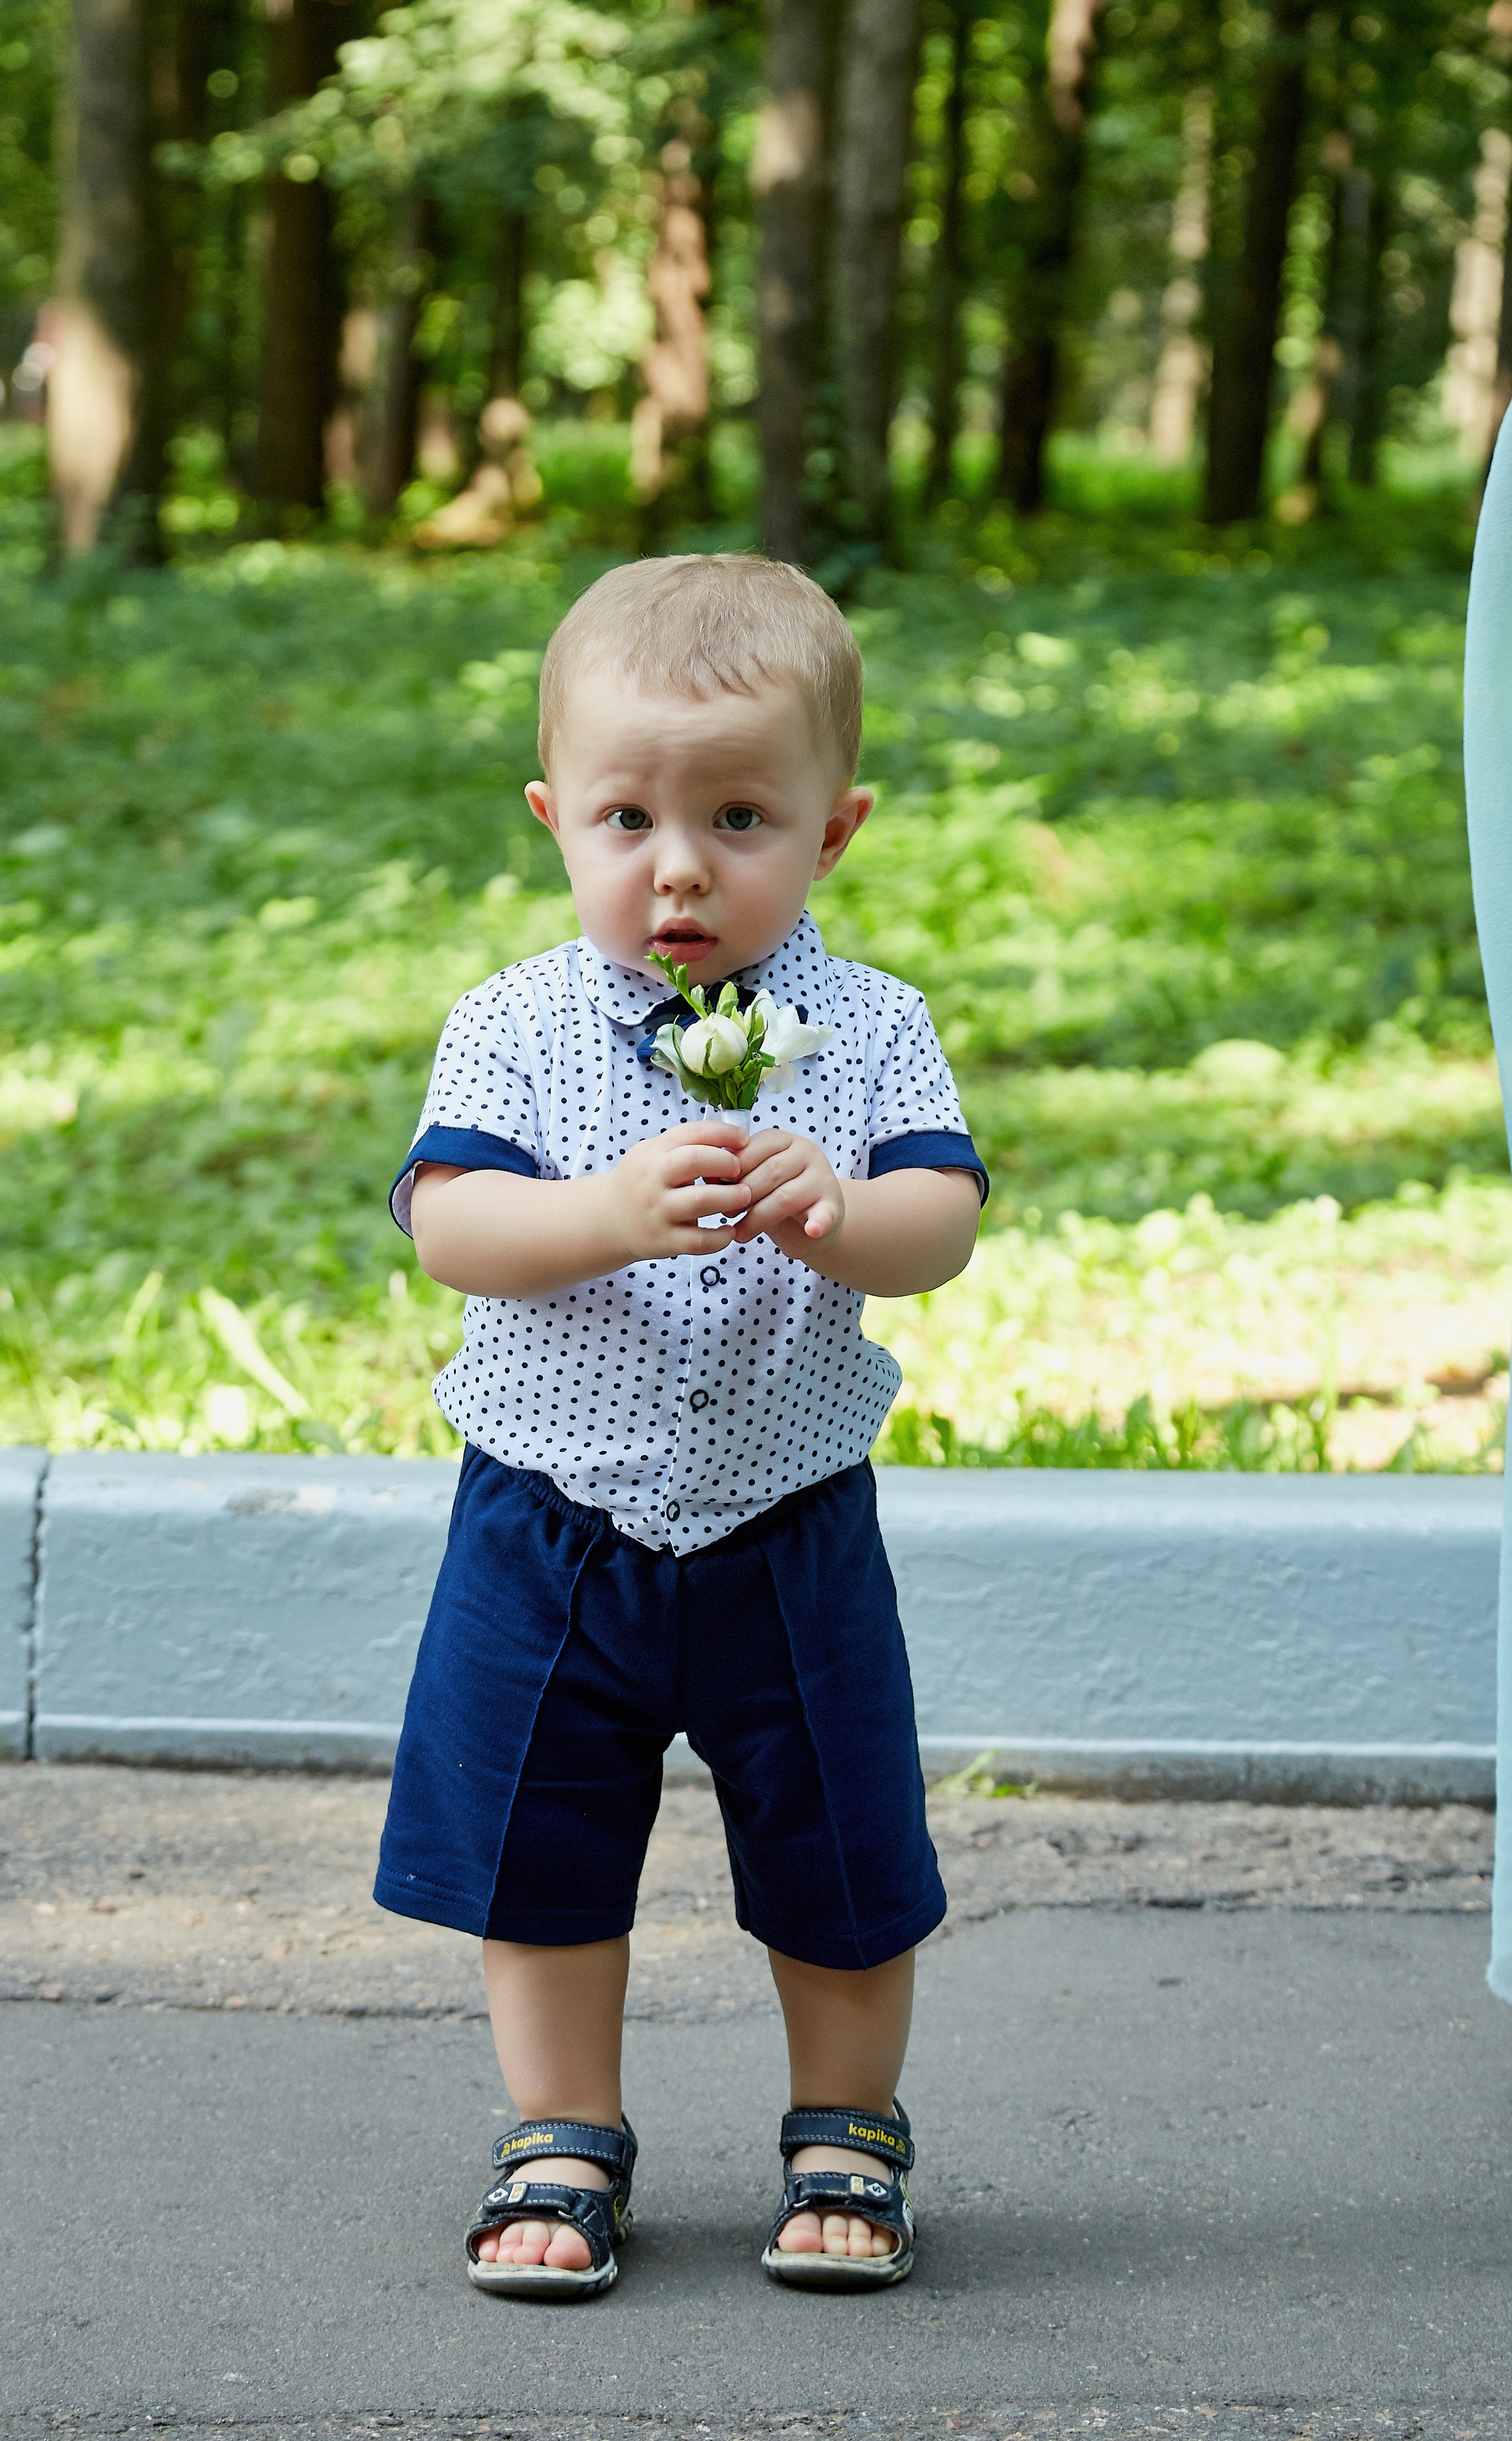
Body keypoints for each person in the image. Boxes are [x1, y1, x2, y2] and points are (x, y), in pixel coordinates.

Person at [374, 554, 988, 2298]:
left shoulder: (868, 1032)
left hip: (788, 1526)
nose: (679, 869)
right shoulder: (513, 1025)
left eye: (738, 818)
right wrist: (603, 1212)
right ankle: (562, 2132)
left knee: (841, 1837)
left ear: (834, 829)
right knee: (541, 1842)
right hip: (550, 1521)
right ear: (555, 816)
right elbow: (451, 1229)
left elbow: (942, 1222)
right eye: (628, 818)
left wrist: (841, 1213)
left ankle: (847, 2129)